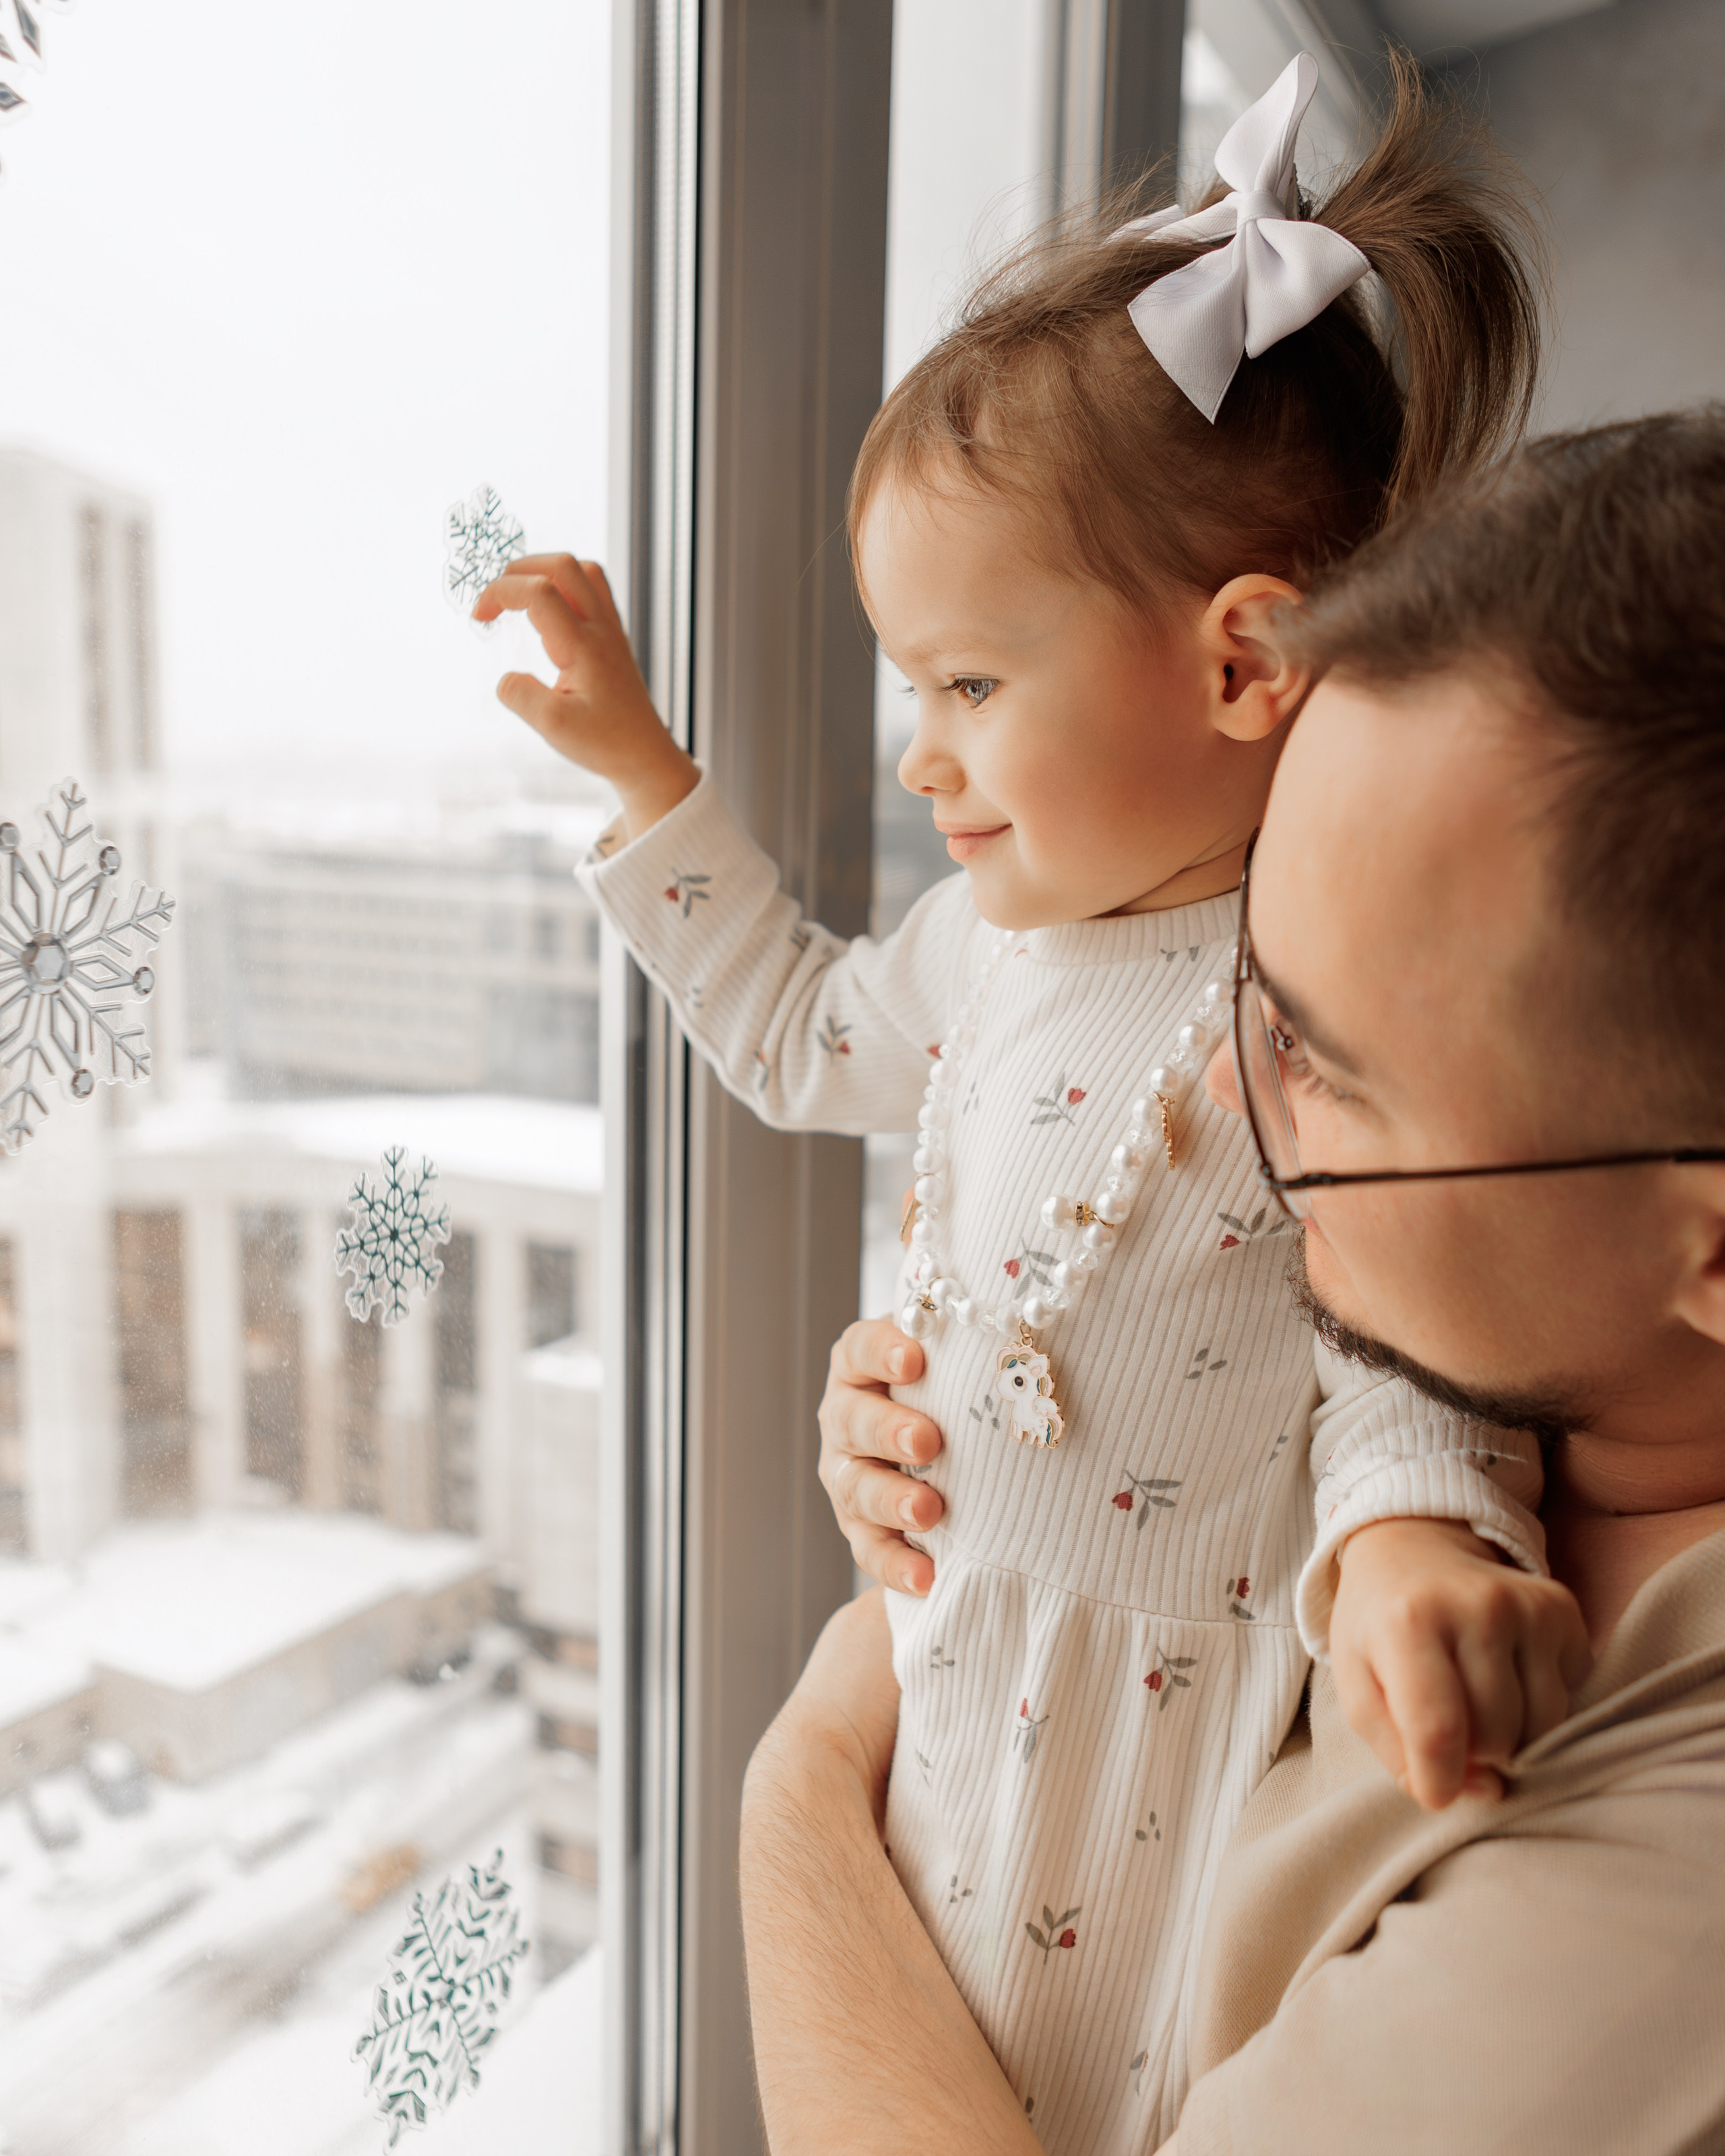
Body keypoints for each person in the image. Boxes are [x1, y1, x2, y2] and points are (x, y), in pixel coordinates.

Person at [477, 54, 1571, 2153]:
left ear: (1245, 666)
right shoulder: (995, 953)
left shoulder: (1338, 993)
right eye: (914, 687)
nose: (922, 755)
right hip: (948, 1670)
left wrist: (1426, 1543)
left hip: (1161, 1748)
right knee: (885, 2021)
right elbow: (796, 1031)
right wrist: (644, 781)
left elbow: (1407, 1348)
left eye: (972, 686)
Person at [745, 410, 1725, 2155]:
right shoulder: (1542, 1360)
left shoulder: (1651, 1919)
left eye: (1328, 1070)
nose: (1231, 1113)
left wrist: (802, 1793)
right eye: (1236, 989)